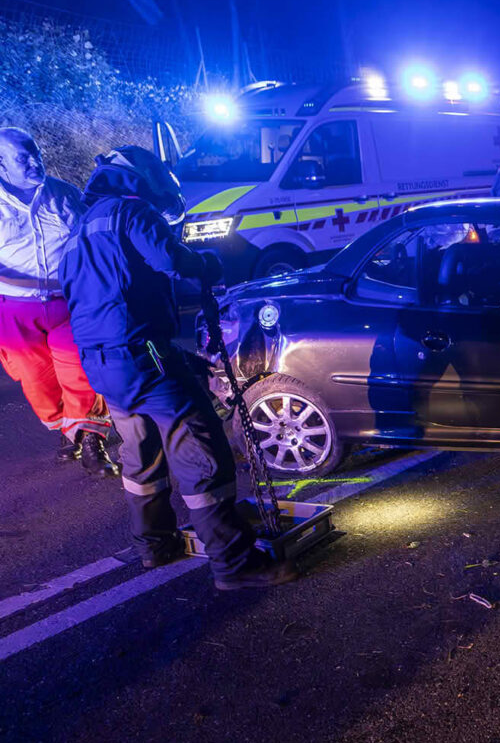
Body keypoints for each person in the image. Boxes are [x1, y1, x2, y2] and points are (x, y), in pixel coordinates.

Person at [59, 146, 296, 590]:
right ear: (142, 180)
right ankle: (234, 564)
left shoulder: (80, 227)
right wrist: (206, 264)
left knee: (140, 453)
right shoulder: (131, 212)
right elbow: (172, 261)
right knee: (200, 451)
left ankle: (154, 546)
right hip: (140, 354)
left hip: (103, 364)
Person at [0, 128, 116, 474]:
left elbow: (92, 243)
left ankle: (92, 438)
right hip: (17, 310)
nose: (35, 161)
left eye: (34, 152)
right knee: (37, 381)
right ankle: (67, 429)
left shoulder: (64, 195)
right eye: (23, 157)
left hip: (70, 303)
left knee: (81, 369)